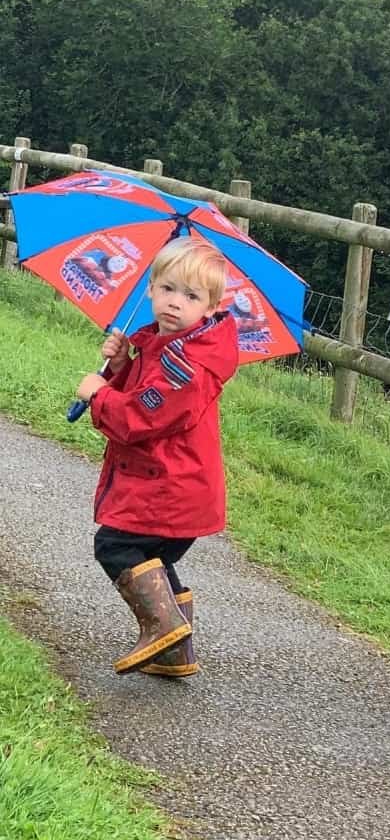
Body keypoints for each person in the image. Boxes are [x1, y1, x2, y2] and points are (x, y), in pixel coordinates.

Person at [74, 236, 238, 677]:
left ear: (211, 307)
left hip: (169, 487)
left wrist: (98, 395)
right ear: (150, 287)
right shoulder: (164, 344)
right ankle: (174, 654)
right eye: (167, 288)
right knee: (155, 559)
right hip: (173, 484)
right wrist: (122, 367)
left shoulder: (188, 364)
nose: (175, 302)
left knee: (114, 546)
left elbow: (142, 417)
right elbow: (146, 393)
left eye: (191, 296)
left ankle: (164, 626)